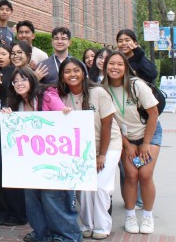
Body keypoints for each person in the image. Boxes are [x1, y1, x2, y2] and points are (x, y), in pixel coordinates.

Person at [3, 67, 80, 242]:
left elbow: (62, 113)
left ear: (32, 80)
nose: (20, 84)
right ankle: (42, 233)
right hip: (31, 162)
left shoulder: (46, 95)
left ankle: (67, 236)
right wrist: (8, 116)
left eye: (23, 79)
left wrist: (65, 113)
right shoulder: (16, 103)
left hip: (54, 159)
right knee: (32, 198)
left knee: (52, 197)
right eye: (16, 81)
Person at [57, 58, 122, 240]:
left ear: (84, 73)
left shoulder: (98, 92)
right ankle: (86, 224)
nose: (72, 74)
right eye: (67, 71)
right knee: (84, 187)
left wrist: (102, 155)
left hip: (109, 145)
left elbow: (107, 125)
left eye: (76, 70)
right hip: (83, 148)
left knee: (101, 187)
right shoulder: (62, 97)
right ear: (62, 76)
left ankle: (102, 225)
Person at [103, 51, 162, 235]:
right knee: (130, 174)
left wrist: (145, 143)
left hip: (148, 133)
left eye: (120, 64)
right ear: (105, 67)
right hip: (124, 137)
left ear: (126, 68)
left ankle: (147, 216)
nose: (115, 67)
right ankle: (130, 215)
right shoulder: (102, 89)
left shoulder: (137, 85)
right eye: (111, 64)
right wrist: (126, 145)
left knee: (144, 174)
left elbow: (153, 114)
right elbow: (108, 121)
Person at [0, 44, 27, 227]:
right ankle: (3, 212)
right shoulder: (3, 72)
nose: (15, 56)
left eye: (19, 53)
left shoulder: (28, 74)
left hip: (21, 125)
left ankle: (19, 213)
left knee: (16, 169)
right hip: (3, 122)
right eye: (13, 53)